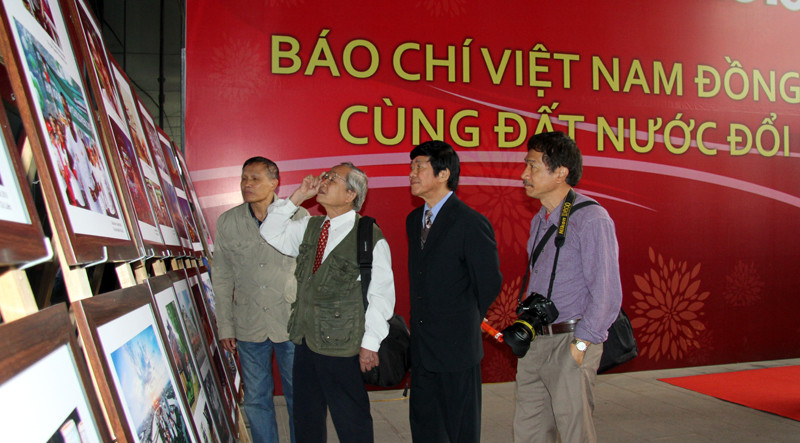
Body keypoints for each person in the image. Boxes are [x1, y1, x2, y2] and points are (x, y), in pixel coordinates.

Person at [260, 162, 395, 443]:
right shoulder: (311, 227)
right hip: (305, 341)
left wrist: (370, 344)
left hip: (343, 347)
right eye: (325, 176)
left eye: (333, 179)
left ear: (350, 195)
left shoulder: (368, 235)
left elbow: (381, 295)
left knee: (351, 421)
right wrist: (298, 196)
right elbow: (269, 232)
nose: (323, 181)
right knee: (306, 419)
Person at [514, 131, 623, 443]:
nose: (524, 174)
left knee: (575, 433)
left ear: (561, 172)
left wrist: (582, 345)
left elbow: (606, 292)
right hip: (536, 341)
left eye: (533, 166)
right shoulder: (540, 219)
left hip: (571, 341)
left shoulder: (591, 218)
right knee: (528, 432)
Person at [406, 140, 502, 443]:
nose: (412, 173)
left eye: (419, 166)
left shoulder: (470, 222)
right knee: (425, 426)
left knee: (460, 429)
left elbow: (489, 281)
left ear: (444, 173)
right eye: (411, 166)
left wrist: (465, 320)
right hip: (422, 348)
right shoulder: (413, 220)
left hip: (457, 348)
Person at [211, 157, 307, 443]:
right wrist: (225, 326)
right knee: (256, 399)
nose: (247, 184)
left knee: (299, 395)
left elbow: (310, 271)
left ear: (274, 182)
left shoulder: (298, 216)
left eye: (255, 178)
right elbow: (222, 277)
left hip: (289, 323)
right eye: (244, 178)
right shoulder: (228, 221)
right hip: (248, 325)